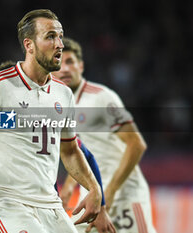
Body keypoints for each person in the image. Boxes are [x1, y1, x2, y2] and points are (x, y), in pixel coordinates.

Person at [0, 9, 103, 233]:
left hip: (50, 204)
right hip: (6, 202)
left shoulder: (63, 94)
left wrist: (94, 189)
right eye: (50, 36)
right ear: (29, 45)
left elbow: (70, 151)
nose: (59, 43)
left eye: (60, 36)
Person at [53, 37, 157, 233]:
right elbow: (77, 150)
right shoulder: (59, 105)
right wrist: (68, 187)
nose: (65, 69)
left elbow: (136, 144)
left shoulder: (101, 97)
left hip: (125, 193)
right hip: (91, 194)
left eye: (70, 62)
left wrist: (109, 191)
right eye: (60, 63)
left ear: (81, 66)